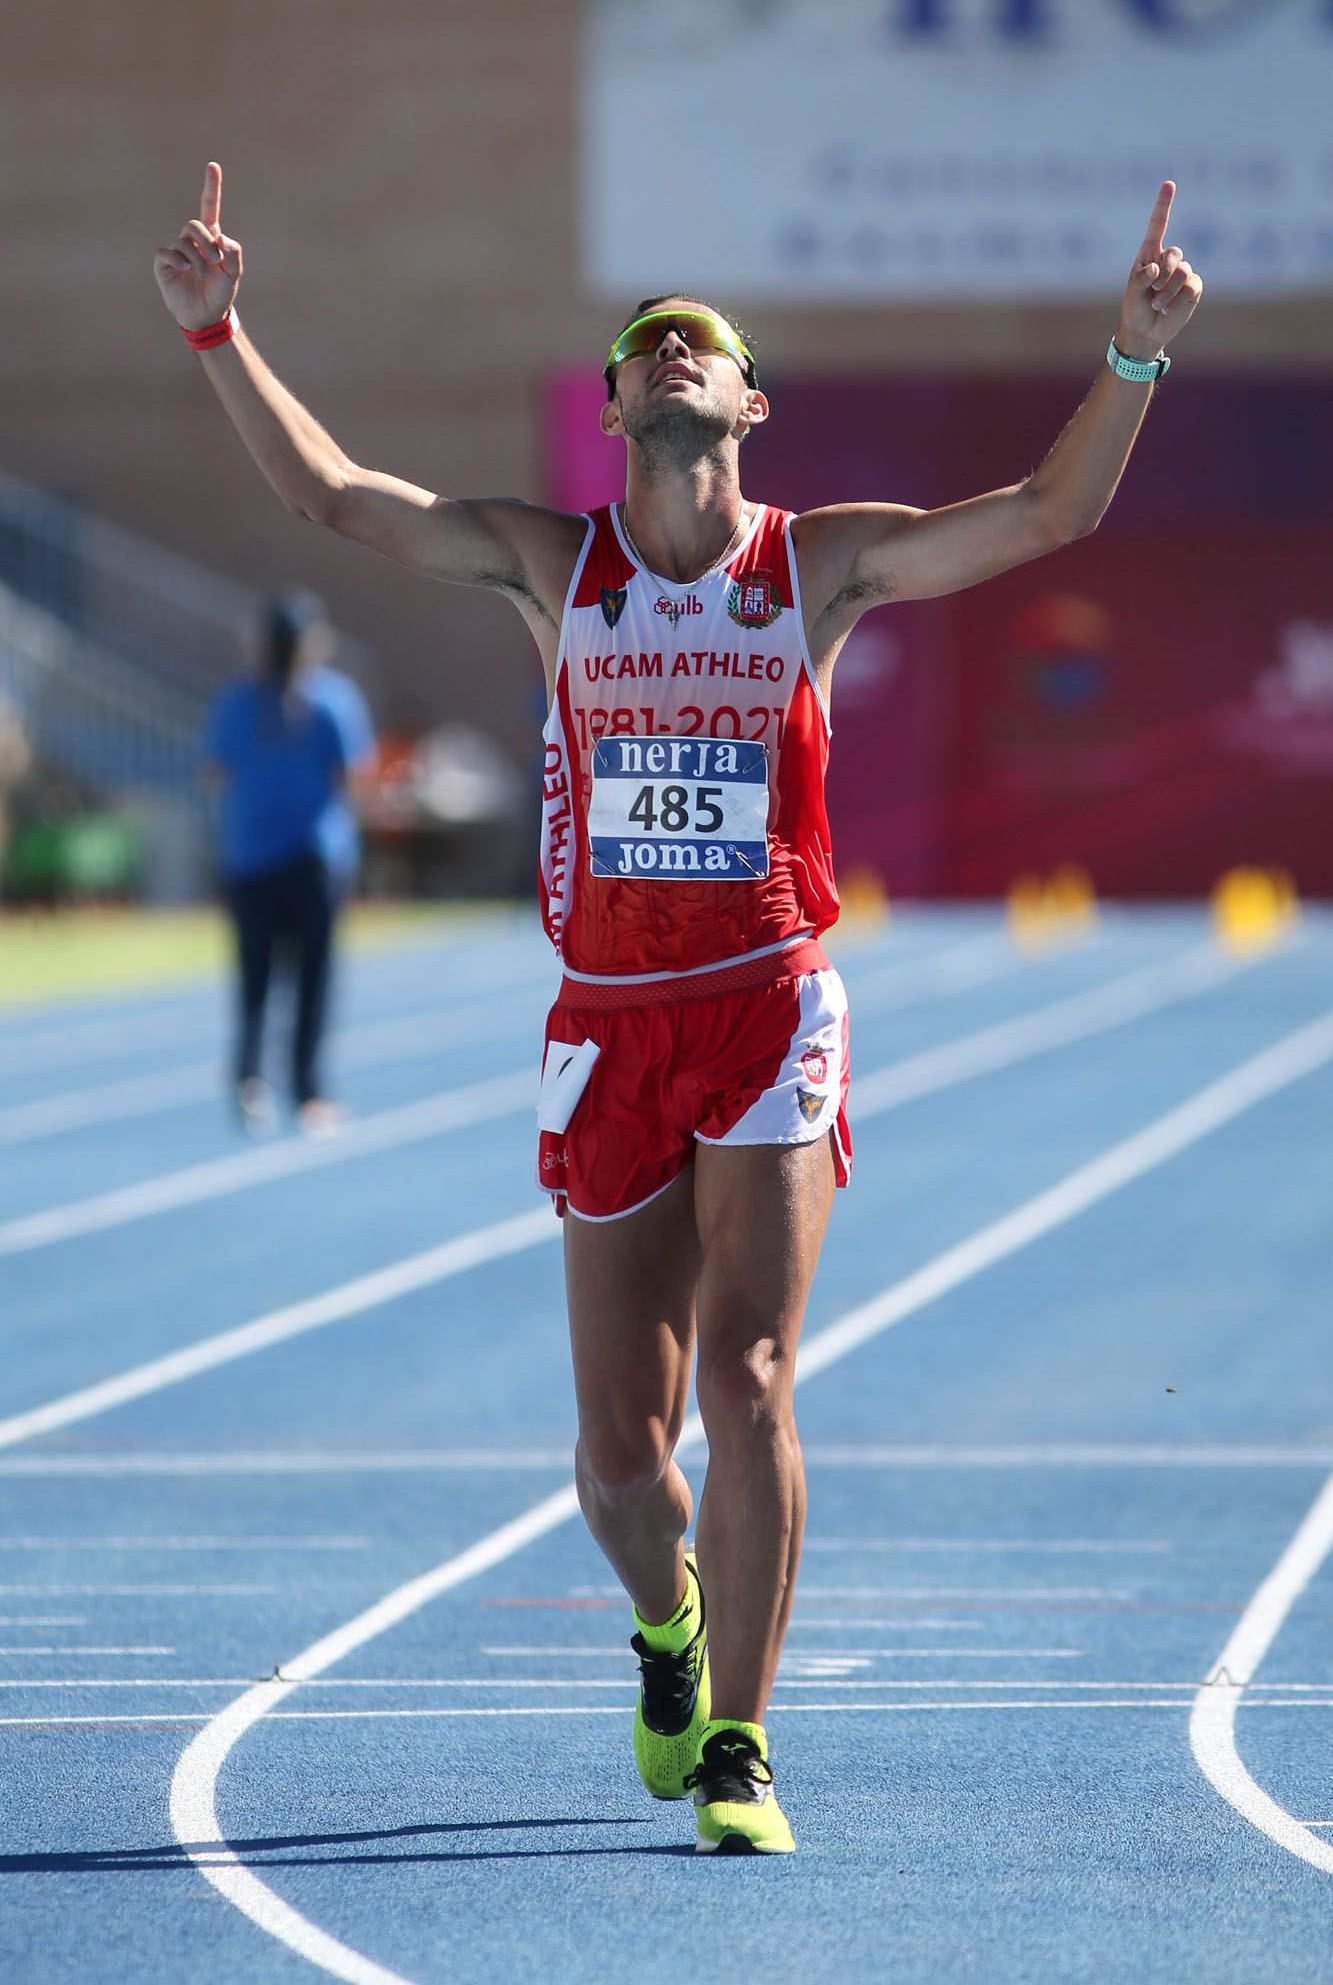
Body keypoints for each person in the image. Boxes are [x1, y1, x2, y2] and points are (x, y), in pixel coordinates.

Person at [156, 163, 1201, 1852]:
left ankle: (740, 1746)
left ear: (745, 405)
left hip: (767, 1006)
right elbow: (339, 496)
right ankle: (667, 1631)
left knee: (756, 1375)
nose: (668, 355)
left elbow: (1041, 518)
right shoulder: (546, 564)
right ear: (613, 403)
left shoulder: (818, 571)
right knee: (621, 1461)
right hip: (606, 1024)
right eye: (643, 346)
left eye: (696, 345)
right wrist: (216, 330)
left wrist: (1131, 360)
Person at [201, 587, 374, 1136]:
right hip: (312, 857)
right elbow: (353, 776)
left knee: (254, 977)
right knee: (312, 979)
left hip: (250, 855)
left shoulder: (238, 701)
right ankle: (309, 1093)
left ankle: (249, 1080)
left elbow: (214, 775)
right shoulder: (332, 699)